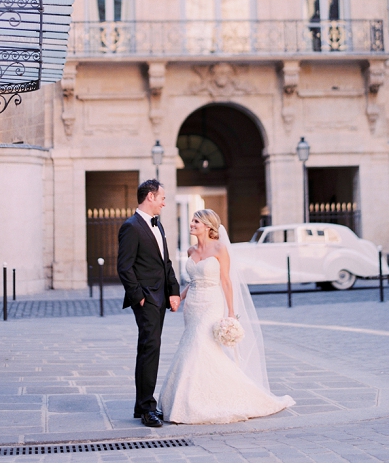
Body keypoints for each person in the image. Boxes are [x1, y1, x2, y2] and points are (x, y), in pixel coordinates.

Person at [157, 208, 294, 424]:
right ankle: (190, 397)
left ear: (208, 226)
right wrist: (178, 298)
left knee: (198, 345)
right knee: (194, 346)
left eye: (196, 221)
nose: (191, 224)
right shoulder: (190, 251)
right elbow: (191, 281)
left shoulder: (220, 248)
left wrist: (231, 313)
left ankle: (202, 400)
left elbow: (227, 282)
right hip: (192, 305)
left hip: (212, 303)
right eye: (192, 221)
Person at [117, 179, 181, 428]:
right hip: (146, 298)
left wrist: (173, 291)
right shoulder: (131, 227)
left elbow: (165, 262)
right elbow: (124, 267)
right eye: (162, 197)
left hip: (160, 296)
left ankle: (140, 405)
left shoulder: (159, 226)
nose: (165, 202)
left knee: (150, 347)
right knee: (150, 348)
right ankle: (147, 409)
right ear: (150, 197)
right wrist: (139, 297)